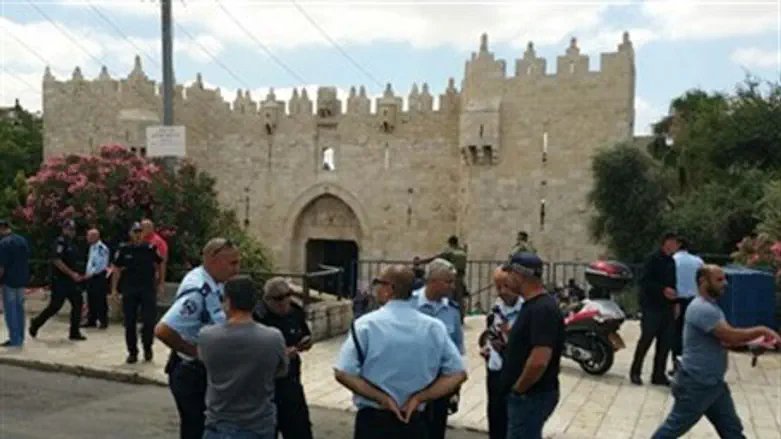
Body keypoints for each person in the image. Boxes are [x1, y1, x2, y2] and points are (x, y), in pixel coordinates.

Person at [333, 265, 468, 439]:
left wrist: (381, 397)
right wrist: (420, 398)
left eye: (378, 283)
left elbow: (343, 372)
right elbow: (458, 374)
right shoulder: (434, 328)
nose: (376, 288)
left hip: (375, 418)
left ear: (389, 288)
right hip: (414, 417)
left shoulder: (366, 325)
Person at [651, 265, 781, 438]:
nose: (725, 284)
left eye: (724, 279)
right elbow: (730, 336)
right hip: (697, 384)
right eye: (719, 280)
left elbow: (724, 341)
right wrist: (762, 330)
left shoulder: (712, 308)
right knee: (672, 429)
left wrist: (753, 345)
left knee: (732, 430)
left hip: (713, 384)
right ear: (703, 281)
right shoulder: (702, 309)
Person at [154, 238, 241, 439]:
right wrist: (195, 353)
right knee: (197, 429)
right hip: (191, 373)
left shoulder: (215, 283)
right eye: (232, 263)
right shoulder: (197, 291)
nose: (236, 270)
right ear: (213, 260)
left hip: (204, 372)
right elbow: (163, 330)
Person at [200, 276, 288, 439]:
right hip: (259, 425)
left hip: (220, 423)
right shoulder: (273, 337)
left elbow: (205, 364)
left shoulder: (207, 336)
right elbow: (281, 371)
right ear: (255, 302)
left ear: (227, 301)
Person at [499, 252, 564, 439]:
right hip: (529, 396)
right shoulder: (534, 306)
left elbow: (539, 361)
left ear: (519, 275)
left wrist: (518, 390)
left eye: (509, 273)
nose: (507, 279)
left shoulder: (542, 309)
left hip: (531, 396)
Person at [253, 277, 315, 439]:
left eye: (287, 295)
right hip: (266, 385)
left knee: (300, 430)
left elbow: (305, 333)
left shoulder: (295, 311)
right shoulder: (258, 316)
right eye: (278, 298)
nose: (284, 302)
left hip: (291, 381)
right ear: (267, 299)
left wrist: (306, 342)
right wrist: (280, 354)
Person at [410, 258, 465, 439]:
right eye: (448, 282)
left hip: (440, 386)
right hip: (412, 383)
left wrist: (455, 390)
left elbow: (457, 351)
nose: (452, 287)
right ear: (433, 281)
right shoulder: (410, 304)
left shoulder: (452, 311)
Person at [630, 232, 680, 386]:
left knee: (665, 343)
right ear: (666, 243)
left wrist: (675, 302)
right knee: (646, 340)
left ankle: (658, 374)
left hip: (667, 307)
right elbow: (644, 282)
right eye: (673, 243)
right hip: (651, 306)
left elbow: (673, 283)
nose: (675, 246)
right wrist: (662, 290)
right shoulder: (652, 259)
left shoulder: (671, 262)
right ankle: (635, 371)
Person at [479, 266, 523, 439]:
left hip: (516, 373)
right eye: (498, 287)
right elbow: (490, 332)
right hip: (495, 371)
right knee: (496, 419)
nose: (502, 291)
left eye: (505, 286)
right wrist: (487, 348)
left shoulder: (527, 310)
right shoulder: (497, 308)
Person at [111, 222, 163, 363]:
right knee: (130, 322)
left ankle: (147, 347)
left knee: (148, 321)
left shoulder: (150, 248)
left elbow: (159, 264)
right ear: (130, 234)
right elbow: (116, 269)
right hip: (130, 289)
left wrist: (160, 284)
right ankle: (132, 352)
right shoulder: (124, 250)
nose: (138, 234)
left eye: (140, 231)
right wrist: (114, 289)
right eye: (135, 231)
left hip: (147, 289)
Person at [29, 219, 87, 341]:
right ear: (64, 229)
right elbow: (57, 260)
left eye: (73, 229)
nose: (72, 232)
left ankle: (74, 332)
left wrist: (78, 274)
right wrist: (72, 274)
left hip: (71, 280)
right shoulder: (60, 242)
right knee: (55, 306)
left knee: (78, 303)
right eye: (69, 229)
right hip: (60, 280)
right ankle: (36, 323)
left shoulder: (72, 243)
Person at [671, 237, 704, 371]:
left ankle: (677, 365)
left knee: (676, 335)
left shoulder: (673, 260)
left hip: (677, 301)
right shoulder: (698, 261)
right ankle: (691, 364)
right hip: (695, 301)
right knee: (692, 334)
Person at [418, 236, 469, 319]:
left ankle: (446, 316)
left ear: (450, 243)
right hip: (460, 277)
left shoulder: (450, 251)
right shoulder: (462, 252)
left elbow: (436, 258)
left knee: (448, 297)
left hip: (449, 277)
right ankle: (461, 317)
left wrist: (421, 261)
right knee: (459, 298)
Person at [0, 219, 30, 347]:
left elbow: (1, 267)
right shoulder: (22, 240)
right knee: (19, 310)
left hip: (9, 280)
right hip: (21, 279)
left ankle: (15, 339)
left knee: (10, 311)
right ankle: (21, 337)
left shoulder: (3, 243)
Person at [83, 228, 110, 329]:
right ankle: (91, 320)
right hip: (90, 277)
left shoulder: (101, 248)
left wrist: (92, 273)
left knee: (100, 299)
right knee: (91, 299)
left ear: (95, 237)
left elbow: (101, 264)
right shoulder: (91, 247)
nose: (87, 238)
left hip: (98, 276)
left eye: (89, 236)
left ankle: (103, 320)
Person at [141, 219, 168, 298]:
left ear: (150, 228)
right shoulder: (139, 240)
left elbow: (162, 263)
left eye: (143, 228)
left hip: (152, 277)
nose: (141, 230)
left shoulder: (158, 242)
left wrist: (161, 282)